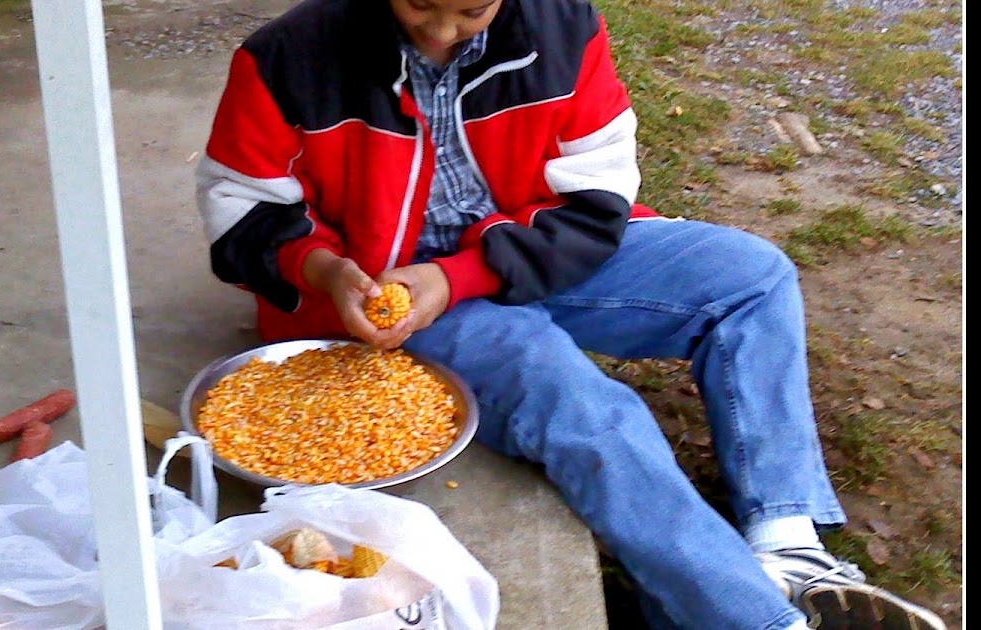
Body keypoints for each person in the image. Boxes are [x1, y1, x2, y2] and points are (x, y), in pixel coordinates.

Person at [194, 0, 949, 628]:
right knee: (577, 401)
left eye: (469, 10)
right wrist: (327, 272)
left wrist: (461, 272)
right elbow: (241, 214)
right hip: (394, 297)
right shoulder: (287, 56)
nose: (440, 30)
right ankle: (751, 617)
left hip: (525, 249)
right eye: (420, 4)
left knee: (751, 280)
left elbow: (595, 201)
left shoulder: (562, 27)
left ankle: (785, 542)